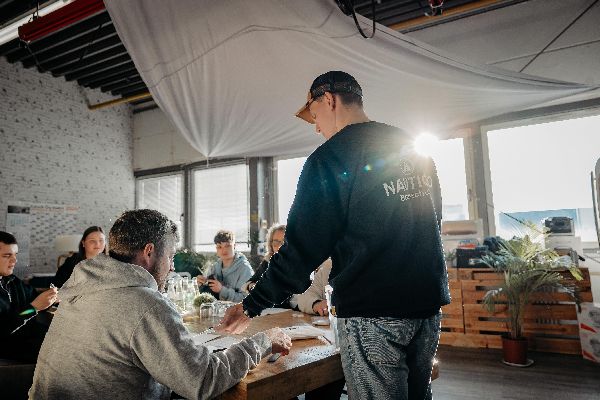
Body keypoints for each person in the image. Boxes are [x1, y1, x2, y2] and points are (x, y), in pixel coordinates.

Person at [218, 71, 450, 400]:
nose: (316, 127)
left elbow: (300, 250)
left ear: (328, 99)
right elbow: (433, 220)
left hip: (373, 312)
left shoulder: (329, 159)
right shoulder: (412, 147)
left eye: (314, 116)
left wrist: (251, 305)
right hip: (428, 305)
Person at [30, 209, 291, 400]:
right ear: (149, 251)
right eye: (170, 256)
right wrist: (263, 341)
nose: (172, 266)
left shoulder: (81, 289)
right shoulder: (145, 304)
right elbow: (203, 380)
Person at [0, 231, 58, 362]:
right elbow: (3, 329)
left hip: (28, 337)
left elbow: (33, 296)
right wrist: (34, 308)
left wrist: (53, 297)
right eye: (7, 255)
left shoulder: (12, 280)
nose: (14, 260)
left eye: (15, 255)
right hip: (8, 347)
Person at [196, 230, 253, 302]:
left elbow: (248, 299)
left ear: (234, 246)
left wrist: (222, 290)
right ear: (216, 249)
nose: (224, 250)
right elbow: (207, 295)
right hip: (217, 308)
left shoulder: (245, 269)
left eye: (227, 246)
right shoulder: (215, 267)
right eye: (219, 247)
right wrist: (200, 284)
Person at [243, 224, 286, 292]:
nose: (279, 247)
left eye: (284, 243)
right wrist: (253, 287)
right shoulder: (268, 260)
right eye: (275, 243)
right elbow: (250, 282)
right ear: (271, 244)